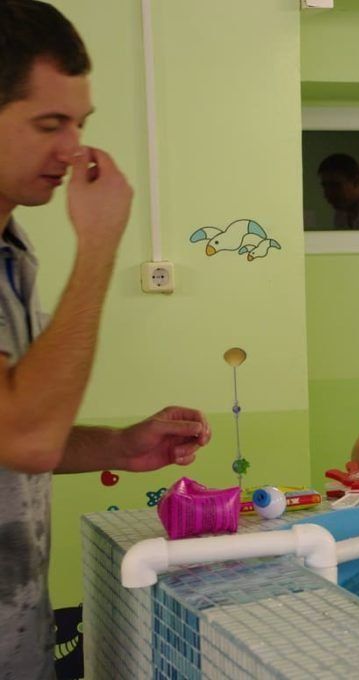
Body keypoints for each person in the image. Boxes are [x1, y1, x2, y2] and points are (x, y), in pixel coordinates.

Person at [0, 3, 212, 677]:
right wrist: (98, 246)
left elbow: (13, 430)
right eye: (49, 124)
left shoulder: (12, 251)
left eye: (80, 125)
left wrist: (119, 445)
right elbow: (26, 438)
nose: (73, 149)